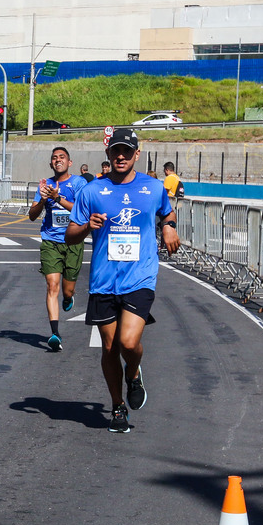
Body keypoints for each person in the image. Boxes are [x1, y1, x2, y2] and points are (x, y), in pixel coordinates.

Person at [66, 129, 180, 433]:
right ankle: (117, 407)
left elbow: (167, 214)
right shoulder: (92, 191)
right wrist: (87, 226)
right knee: (108, 348)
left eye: (126, 151)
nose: (120, 156)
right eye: (116, 151)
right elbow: (71, 235)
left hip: (140, 276)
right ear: (108, 154)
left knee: (128, 342)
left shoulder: (153, 188)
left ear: (136, 155)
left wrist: (168, 227)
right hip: (104, 280)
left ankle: (133, 373)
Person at [28, 147, 87, 352]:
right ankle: (55, 333)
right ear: (51, 163)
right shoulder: (46, 185)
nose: (58, 160)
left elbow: (82, 210)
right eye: (54, 158)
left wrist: (57, 198)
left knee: (66, 289)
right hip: (50, 241)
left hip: (73, 240)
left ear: (69, 162)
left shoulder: (79, 183)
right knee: (52, 285)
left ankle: (69, 297)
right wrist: (44, 199)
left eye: (62, 157)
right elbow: (32, 215)